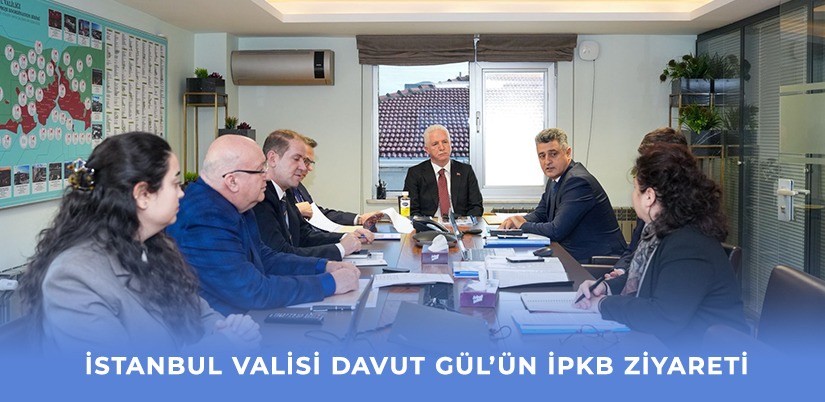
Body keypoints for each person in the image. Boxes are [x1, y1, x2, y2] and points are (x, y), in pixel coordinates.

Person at [18, 132, 261, 353]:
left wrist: (230, 330)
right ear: (143, 194)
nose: (181, 193)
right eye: (174, 183)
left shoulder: (156, 248)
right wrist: (223, 344)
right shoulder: (74, 276)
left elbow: (201, 313)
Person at [575, 143, 747, 349]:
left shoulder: (688, 243)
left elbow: (663, 317)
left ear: (649, 196)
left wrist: (602, 304)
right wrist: (605, 287)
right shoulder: (663, 232)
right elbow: (648, 283)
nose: (633, 195)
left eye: (635, 188)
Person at [167, 134, 359, 316]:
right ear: (232, 181)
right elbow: (251, 291)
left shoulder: (236, 203)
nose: (266, 176)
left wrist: (324, 266)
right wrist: (329, 283)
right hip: (223, 330)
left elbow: (265, 258)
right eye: (260, 170)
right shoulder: (204, 216)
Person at [501, 128, 626, 263]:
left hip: (600, 262)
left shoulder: (578, 181)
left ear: (568, 153)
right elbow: (541, 214)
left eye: (553, 154)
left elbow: (556, 231)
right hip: (574, 255)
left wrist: (522, 225)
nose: (547, 161)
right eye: (542, 156)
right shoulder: (554, 179)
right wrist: (518, 220)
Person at [252, 129, 373, 260]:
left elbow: (304, 236)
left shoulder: (286, 192)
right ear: (273, 159)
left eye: (304, 161)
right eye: (296, 159)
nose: (304, 167)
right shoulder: (260, 197)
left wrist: (345, 237)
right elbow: (280, 253)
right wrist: (340, 249)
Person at [610, 127, 688, 276]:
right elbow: (632, 250)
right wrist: (620, 272)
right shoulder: (649, 212)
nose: (643, 168)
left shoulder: (683, 230)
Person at [293, 136, 383, 229]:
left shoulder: (299, 187)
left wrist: (360, 219)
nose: (309, 168)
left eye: (310, 163)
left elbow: (318, 215)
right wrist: (295, 210)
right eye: (306, 161)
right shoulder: (284, 191)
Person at [403, 124, 483, 218]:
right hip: (429, 225)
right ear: (427, 150)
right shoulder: (415, 173)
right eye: (435, 144)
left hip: (461, 224)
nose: (441, 148)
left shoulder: (466, 171)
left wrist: (465, 223)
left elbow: (476, 207)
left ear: (450, 144)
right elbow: (412, 210)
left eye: (445, 142)